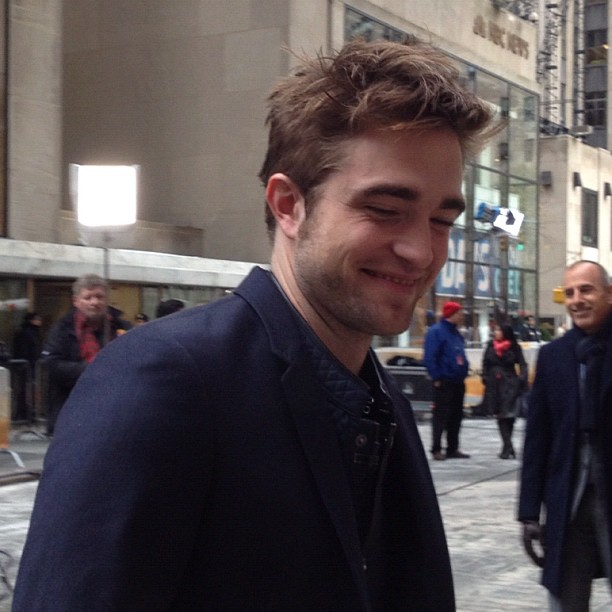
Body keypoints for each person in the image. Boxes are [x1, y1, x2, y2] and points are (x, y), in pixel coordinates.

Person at [13, 38, 496, 611]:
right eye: (385, 210)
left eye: (441, 220)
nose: (421, 251)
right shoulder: (160, 381)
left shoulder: (382, 399)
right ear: (288, 205)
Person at [518, 260, 612, 611]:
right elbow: (537, 439)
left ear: (609, 293)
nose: (577, 300)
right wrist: (529, 512)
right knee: (566, 599)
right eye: (569, 293)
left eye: (586, 290)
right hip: (568, 502)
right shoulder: (553, 356)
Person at [39, 274, 130, 436]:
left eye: (99, 297)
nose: (94, 302)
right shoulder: (62, 329)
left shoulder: (122, 327)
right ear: (76, 301)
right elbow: (51, 364)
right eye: (88, 297)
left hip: (116, 408)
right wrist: (93, 369)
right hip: (73, 408)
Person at [424, 301, 471, 460]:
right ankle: (436, 448)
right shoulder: (436, 332)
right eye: (459, 313)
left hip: (458, 381)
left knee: (456, 416)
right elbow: (430, 356)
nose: (461, 316)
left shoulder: (456, 333)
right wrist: (436, 376)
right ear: (451, 314)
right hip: (444, 381)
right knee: (440, 416)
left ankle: (452, 448)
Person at [481, 322, 527, 459]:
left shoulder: (514, 347)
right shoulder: (490, 346)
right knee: (500, 415)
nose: (496, 332)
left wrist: (521, 378)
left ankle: (507, 447)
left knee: (509, 416)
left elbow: (523, 364)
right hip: (494, 384)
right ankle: (508, 446)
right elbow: (485, 363)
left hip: (510, 383)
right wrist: (485, 377)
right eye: (495, 330)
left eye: (499, 330)